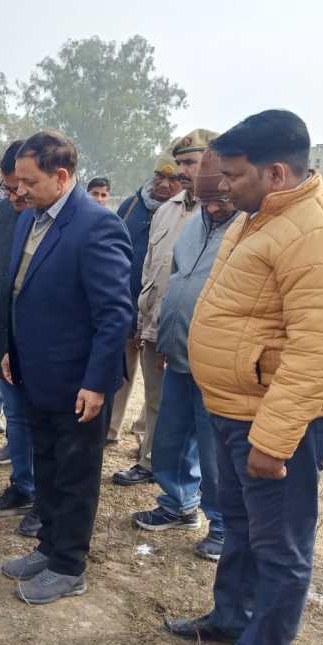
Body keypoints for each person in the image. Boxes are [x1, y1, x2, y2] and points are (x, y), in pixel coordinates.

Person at [167, 110, 323, 645]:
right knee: (243, 526)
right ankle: (230, 619)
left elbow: (315, 350)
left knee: (281, 546)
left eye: (231, 174)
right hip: (234, 408)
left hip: (277, 423)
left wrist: (273, 443)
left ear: (274, 172)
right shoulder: (263, 216)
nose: (219, 185)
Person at [0, 131, 132, 604]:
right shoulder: (29, 219)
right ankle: (48, 545)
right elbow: (20, 293)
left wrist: (97, 384)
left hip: (78, 382)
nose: (17, 192)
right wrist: (11, 350)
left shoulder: (97, 225)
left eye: (27, 183)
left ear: (61, 176)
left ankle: (69, 565)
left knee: (75, 475)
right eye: (14, 184)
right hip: (36, 373)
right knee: (49, 467)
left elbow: (115, 313)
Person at [130, 151, 238, 561]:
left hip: (219, 362)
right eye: (203, 197)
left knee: (214, 451)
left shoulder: (247, 231)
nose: (211, 207)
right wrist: (163, 338)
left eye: (220, 200)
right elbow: (172, 281)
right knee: (173, 437)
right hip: (176, 351)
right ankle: (178, 503)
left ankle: (224, 525)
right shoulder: (192, 227)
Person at [114, 129, 217, 487]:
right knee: (158, 401)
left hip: (196, 332)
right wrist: (143, 320)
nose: (182, 170)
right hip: (156, 323)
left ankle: (187, 483)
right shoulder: (167, 210)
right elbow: (151, 269)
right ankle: (150, 462)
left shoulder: (222, 213)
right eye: (180, 162)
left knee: (194, 414)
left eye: (190, 162)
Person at [0, 139, 36, 528]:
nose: (14, 195)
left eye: (21, 188)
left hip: (44, 343)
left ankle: (46, 501)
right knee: (16, 415)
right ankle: (24, 485)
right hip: (7, 334)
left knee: (44, 423)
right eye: (8, 188)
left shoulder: (55, 218)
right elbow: (0, 273)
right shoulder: (2, 212)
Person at [108, 153, 181, 445]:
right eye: (158, 177)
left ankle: (146, 438)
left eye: (172, 179)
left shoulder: (189, 213)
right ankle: (110, 429)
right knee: (119, 371)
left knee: (156, 386)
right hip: (125, 305)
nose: (163, 185)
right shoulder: (131, 205)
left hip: (162, 311)